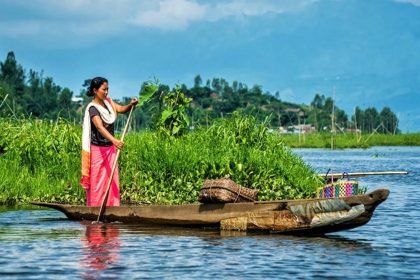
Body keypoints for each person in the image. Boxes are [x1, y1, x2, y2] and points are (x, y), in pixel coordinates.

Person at [80, 77, 138, 206]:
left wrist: (131, 105)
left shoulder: (108, 103)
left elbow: (121, 109)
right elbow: (100, 128)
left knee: (112, 180)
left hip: (110, 150)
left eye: (107, 89)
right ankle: (95, 207)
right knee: (98, 181)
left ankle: (112, 206)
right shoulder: (93, 109)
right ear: (95, 90)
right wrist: (115, 141)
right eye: (104, 89)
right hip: (97, 151)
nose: (106, 92)